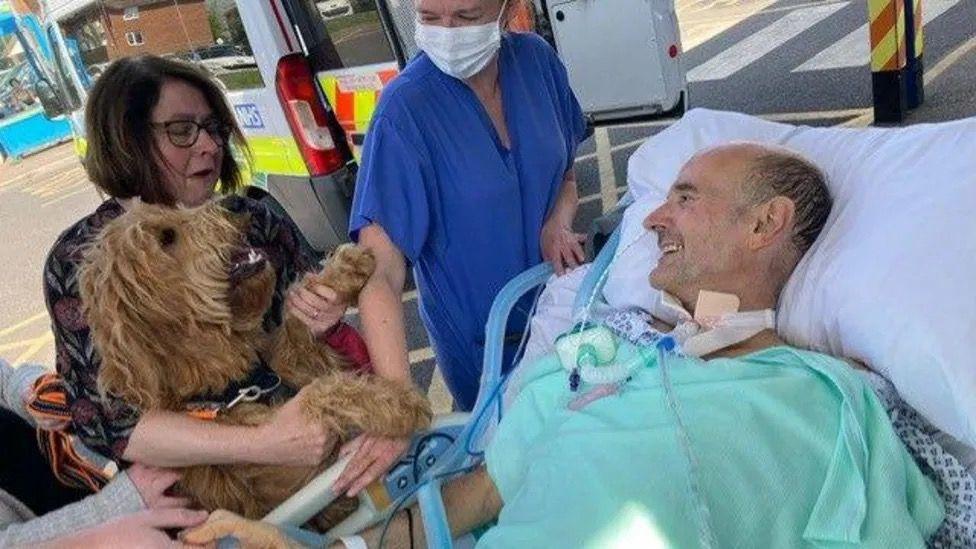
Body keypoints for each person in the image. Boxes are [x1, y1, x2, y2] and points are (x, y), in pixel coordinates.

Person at [332, 143, 946, 548]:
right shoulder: (594, 356)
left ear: (764, 224)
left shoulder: (829, 400)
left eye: (685, 197)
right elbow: (480, 494)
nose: (652, 220)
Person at [36, 55, 379, 496]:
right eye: (182, 130)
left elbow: (314, 328)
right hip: (211, 499)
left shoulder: (253, 216)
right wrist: (266, 443)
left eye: (214, 128)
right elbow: (112, 425)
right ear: (126, 138)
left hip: (333, 457)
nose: (210, 145)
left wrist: (324, 311)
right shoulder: (81, 259)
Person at [342, 0, 590, 496]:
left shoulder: (537, 64)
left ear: (506, 9)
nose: (446, 34)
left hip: (565, 315)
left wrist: (556, 225)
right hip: (484, 347)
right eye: (430, 18)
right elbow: (381, 272)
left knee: (579, 459)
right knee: (508, 479)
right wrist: (396, 405)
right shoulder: (404, 112)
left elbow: (565, 174)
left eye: (467, 16)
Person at [1, 359, 207, 547]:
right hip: (106, 526)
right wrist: (111, 507)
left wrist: (33, 390)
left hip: (85, 487)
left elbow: (6, 380)